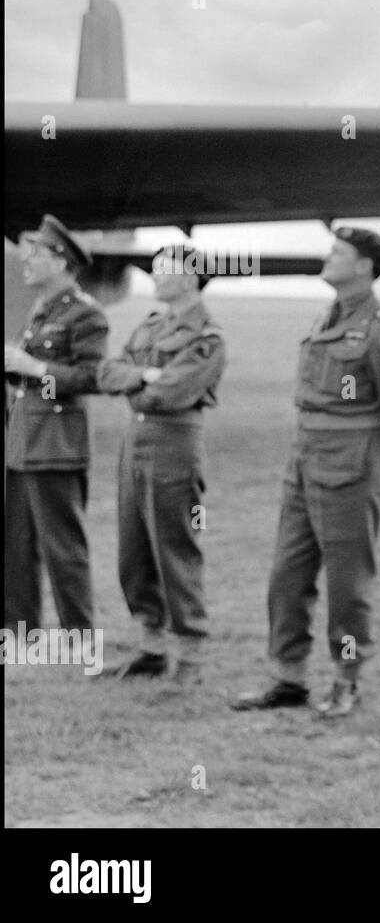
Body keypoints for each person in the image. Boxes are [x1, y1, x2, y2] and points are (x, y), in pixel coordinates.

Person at [233, 227, 380, 718]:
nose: (329, 257)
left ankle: (347, 680)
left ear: (364, 266)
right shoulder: (328, 318)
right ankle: (288, 677)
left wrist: (374, 458)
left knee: (348, 581)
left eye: (339, 252)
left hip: (352, 463)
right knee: (286, 574)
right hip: (305, 458)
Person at [98, 244, 227, 683]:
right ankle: (151, 648)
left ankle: (190, 656)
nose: (154, 275)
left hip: (174, 445)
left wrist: (139, 382)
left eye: (163, 269)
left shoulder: (206, 337)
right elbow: (107, 373)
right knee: (133, 552)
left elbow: (171, 394)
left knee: (175, 549)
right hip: (136, 441)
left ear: (190, 277)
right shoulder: (152, 326)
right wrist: (143, 377)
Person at [5, 214, 108, 633]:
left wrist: (34, 365)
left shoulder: (86, 316)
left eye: (37, 253)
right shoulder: (42, 310)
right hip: (23, 442)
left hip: (56, 445)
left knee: (62, 547)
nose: (26, 260)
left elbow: (91, 377)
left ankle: (79, 638)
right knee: (15, 545)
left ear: (62, 261)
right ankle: (19, 631)